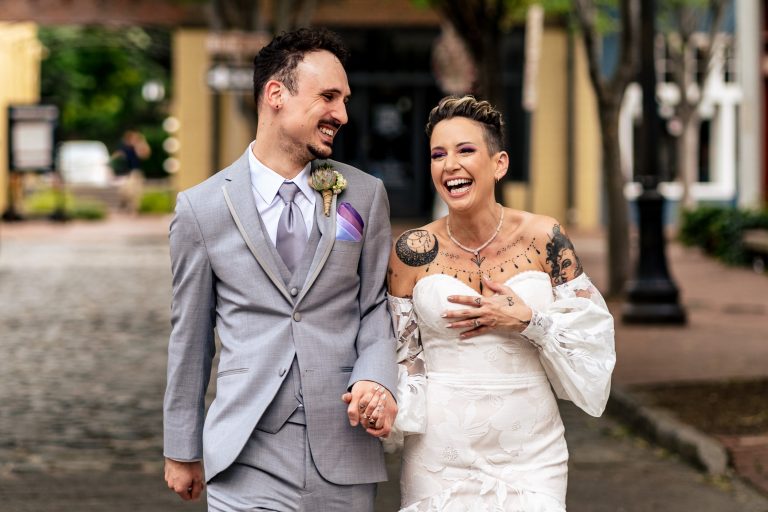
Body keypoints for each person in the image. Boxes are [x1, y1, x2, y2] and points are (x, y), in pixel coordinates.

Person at [163, 27, 398, 511]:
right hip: (246, 451)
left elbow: (375, 303)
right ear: (276, 94)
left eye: (345, 100)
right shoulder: (201, 208)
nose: (342, 114)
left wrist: (376, 377)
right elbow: (190, 334)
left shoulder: (364, 194)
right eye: (328, 97)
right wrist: (181, 446)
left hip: (342, 447)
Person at [386, 95, 616, 511]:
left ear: (499, 163)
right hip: (441, 449)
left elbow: (591, 337)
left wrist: (529, 321)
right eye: (438, 155)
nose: (449, 165)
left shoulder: (545, 238)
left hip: (531, 449)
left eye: (465, 151)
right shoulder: (411, 250)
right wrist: (386, 409)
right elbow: (401, 352)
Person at [111, 129, 150, 212]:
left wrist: (141, 141)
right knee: (124, 191)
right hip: (126, 173)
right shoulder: (124, 148)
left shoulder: (137, 148)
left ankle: (134, 209)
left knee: (135, 193)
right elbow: (116, 156)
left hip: (135, 173)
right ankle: (126, 205)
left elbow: (145, 154)